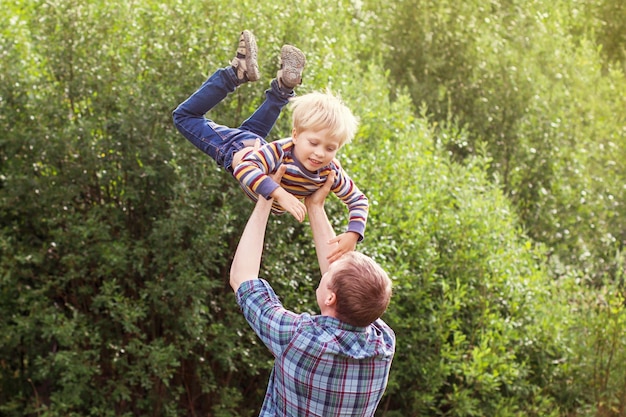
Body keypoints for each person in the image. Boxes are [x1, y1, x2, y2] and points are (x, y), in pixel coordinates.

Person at [172, 30, 368, 260]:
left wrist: (353, 234)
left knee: (250, 135)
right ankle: (234, 75)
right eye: (314, 143)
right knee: (184, 117)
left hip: (257, 148)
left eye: (330, 148)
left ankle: (281, 88)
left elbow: (358, 199)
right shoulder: (281, 150)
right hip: (239, 151)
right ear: (295, 136)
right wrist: (280, 193)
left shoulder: (330, 169)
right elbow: (244, 167)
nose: (319, 153)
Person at [230, 168, 395, 416]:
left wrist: (266, 197)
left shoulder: (300, 338)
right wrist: (315, 208)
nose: (326, 270)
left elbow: (243, 279)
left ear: (330, 297)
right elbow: (349, 284)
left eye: (329, 273)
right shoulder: (383, 343)